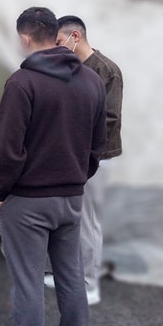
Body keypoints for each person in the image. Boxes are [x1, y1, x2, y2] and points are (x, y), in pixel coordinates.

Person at [0, 7, 106, 326]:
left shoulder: (21, 83)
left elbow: (9, 151)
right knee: (70, 273)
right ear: (55, 34)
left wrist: (0, 194)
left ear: (25, 38)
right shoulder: (92, 81)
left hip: (27, 200)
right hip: (71, 196)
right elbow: (97, 145)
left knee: (28, 279)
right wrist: (76, 178)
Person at [44, 15, 123, 305]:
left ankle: (89, 284)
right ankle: (66, 275)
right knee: (69, 220)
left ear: (74, 36)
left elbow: (109, 120)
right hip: (72, 156)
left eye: (58, 42)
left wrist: (78, 147)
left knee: (87, 222)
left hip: (96, 158)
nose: (56, 48)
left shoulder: (106, 71)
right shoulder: (72, 68)